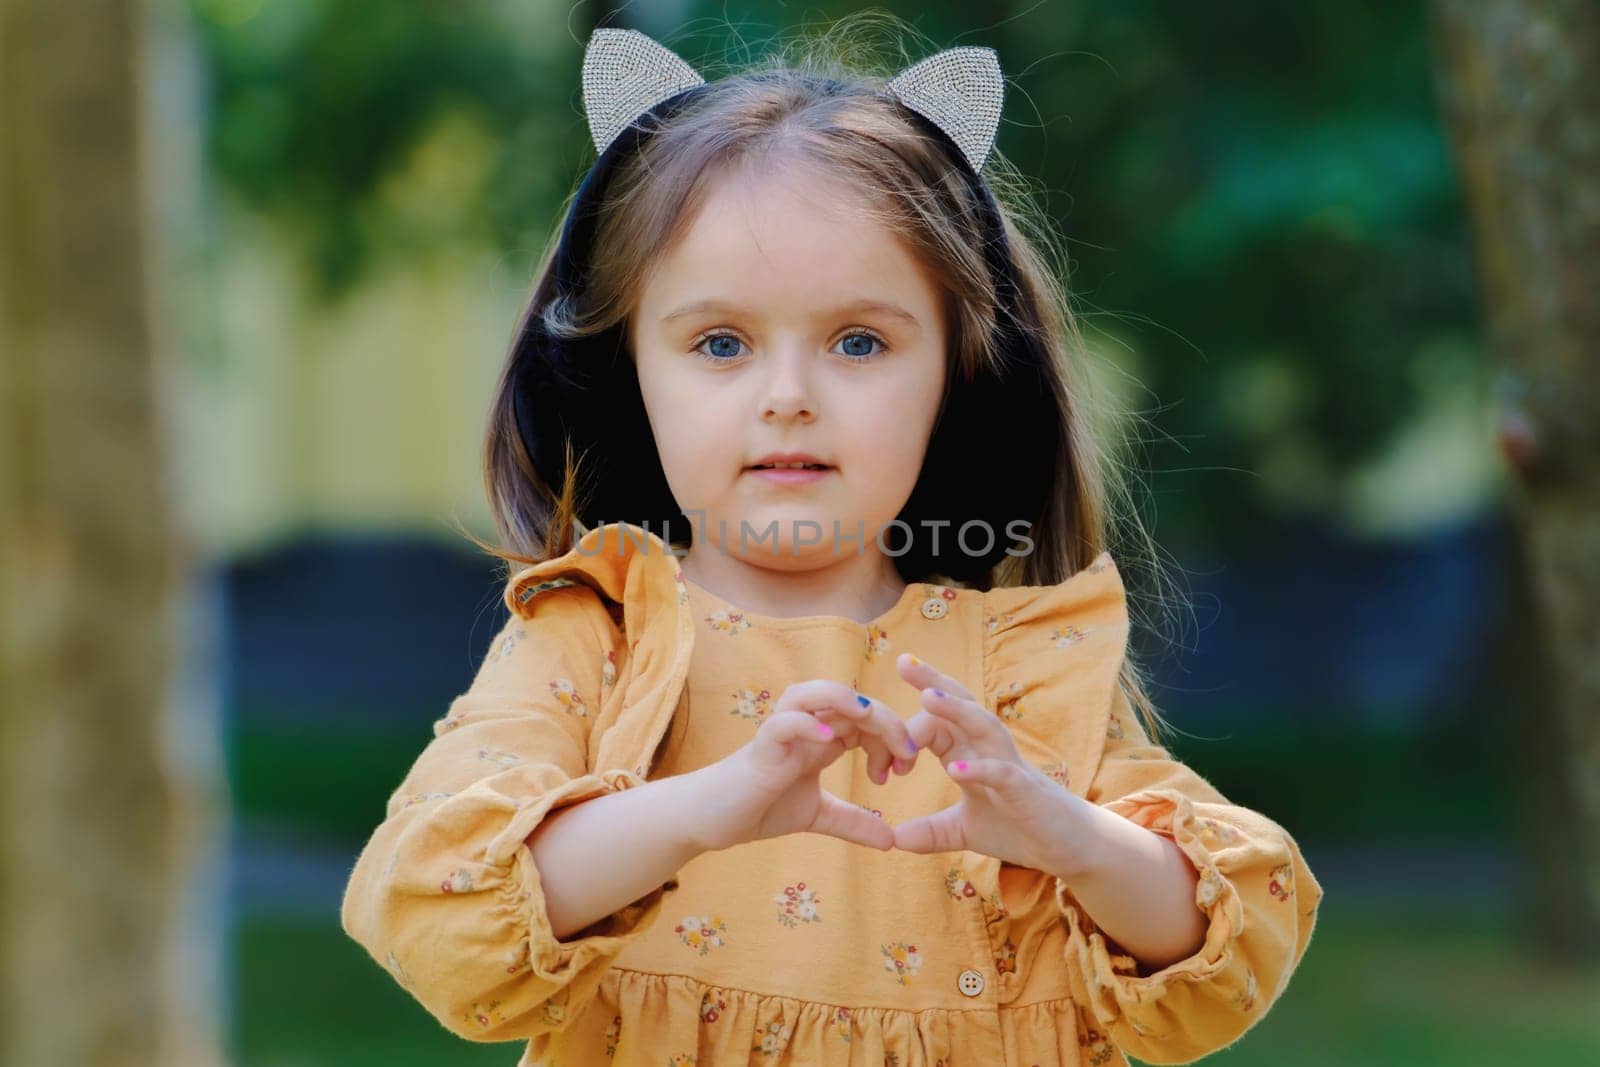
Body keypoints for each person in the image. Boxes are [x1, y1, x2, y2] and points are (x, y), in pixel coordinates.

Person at [341, 24, 1323, 1067]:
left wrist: (1065, 832)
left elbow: (1222, 957)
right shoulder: (595, 640)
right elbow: (434, 910)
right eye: (720, 343)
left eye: (860, 341)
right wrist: (706, 805)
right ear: (629, 369)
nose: (789, 399)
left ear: (956, 371)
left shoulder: (1019, 667)